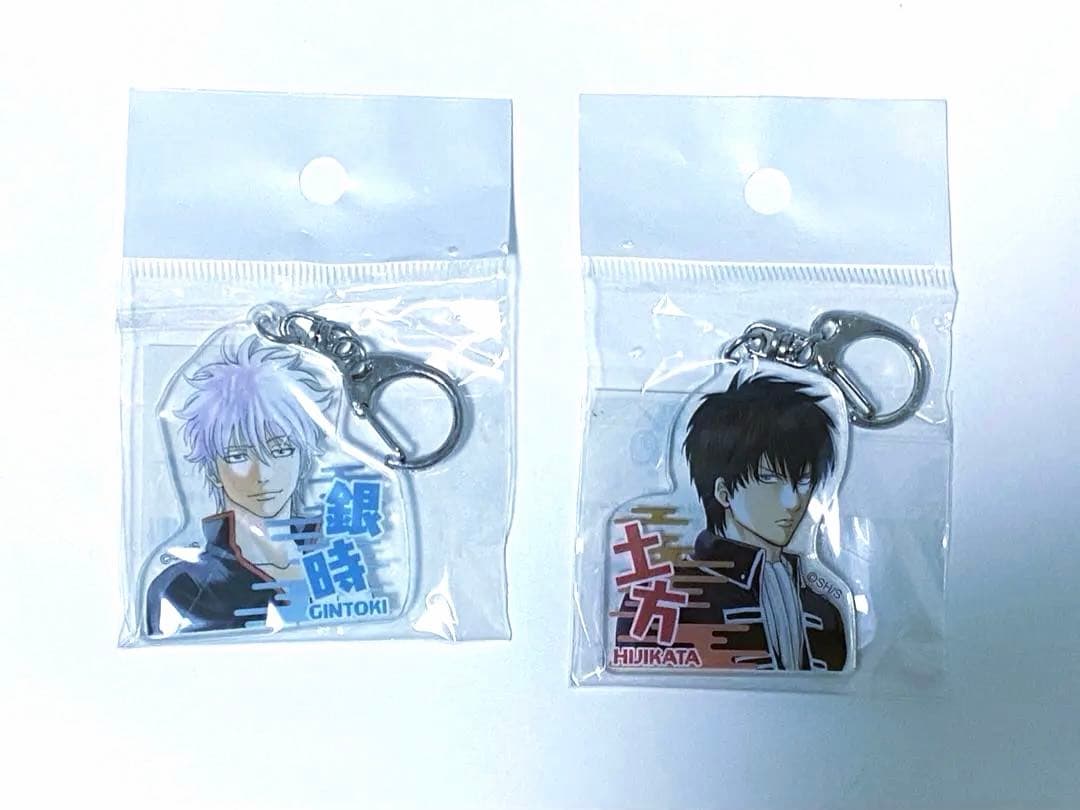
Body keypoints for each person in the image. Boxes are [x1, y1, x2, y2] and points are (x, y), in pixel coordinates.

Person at [145, 335, 334, 636]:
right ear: (213, 469)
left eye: (281, 449)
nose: (263, 473)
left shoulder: (339, 559)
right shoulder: (183, 589)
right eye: (238, 455)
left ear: (304, 457)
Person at [680, 374, 847, 671]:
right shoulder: (676, 600)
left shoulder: (823, 611)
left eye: (804, 481)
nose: (793, 501)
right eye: (769, 479)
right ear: (723, 491)